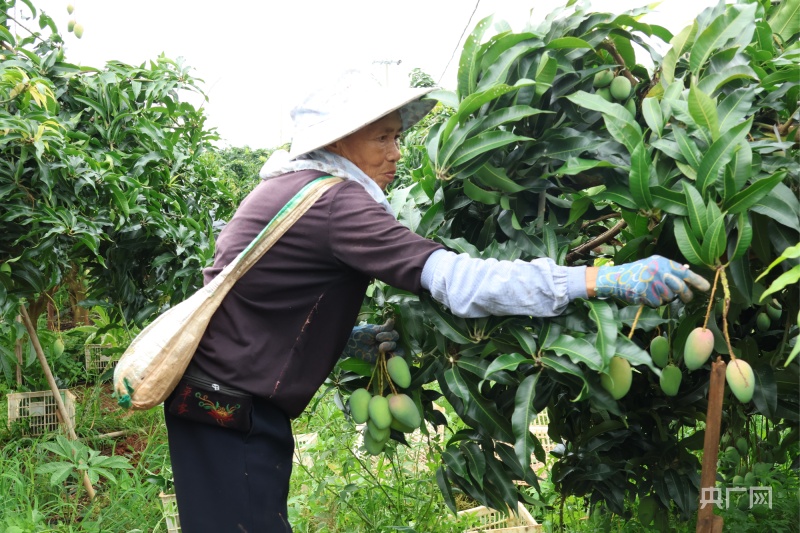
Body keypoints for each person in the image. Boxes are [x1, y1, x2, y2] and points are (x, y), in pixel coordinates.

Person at [163, 69, 710, 532]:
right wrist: (598, 279)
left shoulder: (288, 189)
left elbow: (262, 298)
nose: (397, 153)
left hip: (219, 403)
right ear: (337, 140)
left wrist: (340, 336)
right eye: (382, 137)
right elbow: (462, 282)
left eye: (397, 136)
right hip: (228, 410)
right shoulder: (336, 204)